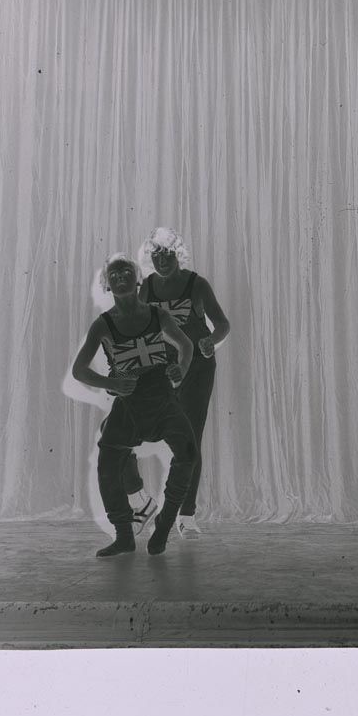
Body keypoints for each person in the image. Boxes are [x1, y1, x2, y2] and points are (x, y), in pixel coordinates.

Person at [71, 254, 196, 557]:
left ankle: (164, 524)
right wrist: (111, 383)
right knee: (107, 464)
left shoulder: (157, 314)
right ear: (107, 284)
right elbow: (79, 370)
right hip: (129, 404)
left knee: (188, 453)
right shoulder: (103, 324)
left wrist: (180, 369)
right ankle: (124, 535)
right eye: (114, 275)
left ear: (138, 278)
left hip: (162, 397)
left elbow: (186, 345)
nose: (120, 278)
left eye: (126, 272)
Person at [133, 226, 230, 539]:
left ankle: (186, 515)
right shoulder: (147, 286)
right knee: (129, 431)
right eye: (156, 255)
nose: (162, 261)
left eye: (168, 255)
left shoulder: (197, 284)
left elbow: (223, 324)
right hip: (161, 370)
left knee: (189, 440)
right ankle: (140, 501)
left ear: (179, 255)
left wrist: (212, 340)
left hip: (197, 369)